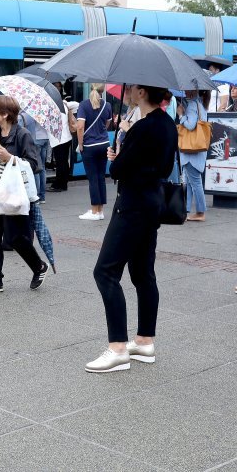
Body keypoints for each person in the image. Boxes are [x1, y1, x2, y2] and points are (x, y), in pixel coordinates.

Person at [85, 85, 177, 373]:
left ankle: (118, 348)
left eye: (130, 87)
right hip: (152, 204)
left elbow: (118, 170)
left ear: (139, 92)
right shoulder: (166, 123)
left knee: (105, 271)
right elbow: (158, 166)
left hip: (133, 205)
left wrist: (121, 147)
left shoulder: (143, 127)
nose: (125, 91)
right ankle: (145, 341)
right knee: (142, 273)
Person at [0, 95, 48, 294]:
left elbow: (34, 165)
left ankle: (39, 266)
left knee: (15, 238)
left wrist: (10, 158)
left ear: (5, 114)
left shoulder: (22, 134)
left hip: (12, 195)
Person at [76, 84, 112, 221]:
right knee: (101, 177)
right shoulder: (107, 105)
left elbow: (80, 127)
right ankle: (100, 210)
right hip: (104, 144)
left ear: (91, 88)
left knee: (93, 179)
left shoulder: (84, 105)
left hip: (89, 146)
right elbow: (107, 124)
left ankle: (94, 211)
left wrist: (80, 144)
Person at [179, 91, 209, 222]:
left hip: (191, 152)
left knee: (195, 183)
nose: (185, 91)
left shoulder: (192, 105)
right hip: (197, 151)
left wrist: (181, 115)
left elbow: (190, 126)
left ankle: (200, 212)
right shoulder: (200, 104)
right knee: (192, 183)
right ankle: (186, 210)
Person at [48, 87, 74, 193]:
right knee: (64, 161)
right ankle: (64, 183)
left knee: (60, 162)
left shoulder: (52, 107)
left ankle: (59, 184)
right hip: (67, 137)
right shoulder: (64, 104)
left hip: (58, 139)